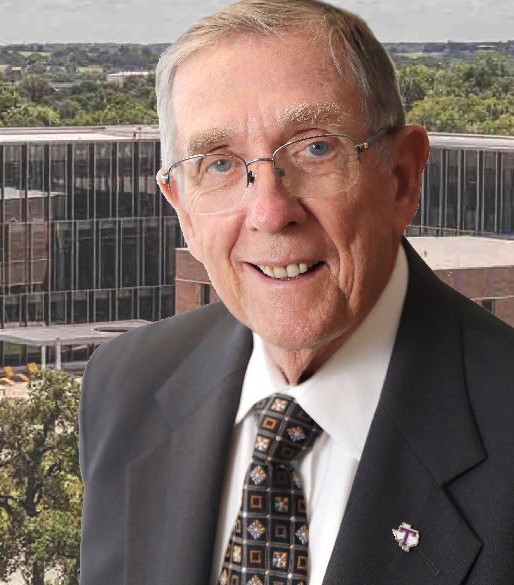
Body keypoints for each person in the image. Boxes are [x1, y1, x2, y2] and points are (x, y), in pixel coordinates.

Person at [77, 1, 514, 584]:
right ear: (181, 208)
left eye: (315, 148)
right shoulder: (124, 384)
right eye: (219, 164)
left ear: (402, 178)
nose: (269, 212)